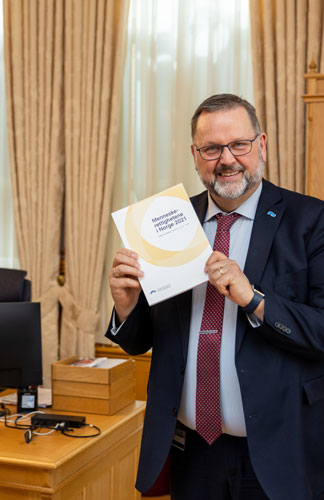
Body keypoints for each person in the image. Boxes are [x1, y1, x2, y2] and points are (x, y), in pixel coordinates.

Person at [107, 94, 324, 500]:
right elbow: (142, 342)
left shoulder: (310, 220)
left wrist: (254, 299)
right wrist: (125, 305)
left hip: (278, 452)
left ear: (261, 144)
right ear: (195, 155)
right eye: (211, 148)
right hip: (193, 451)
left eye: (238, 144)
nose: (226, 159)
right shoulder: (168, 224)